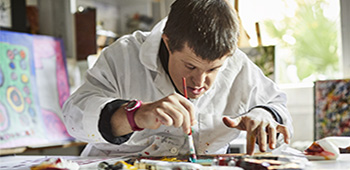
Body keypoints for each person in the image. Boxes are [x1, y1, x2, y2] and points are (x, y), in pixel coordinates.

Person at [63, 0, 293, 157]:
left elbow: (277, 108)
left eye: (213, 70)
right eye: (190, 65)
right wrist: (133, 116)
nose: (200, 82)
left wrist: (264, 116)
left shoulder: (238, 66)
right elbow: (73, 117)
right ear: (167, 42)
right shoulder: (124, 55)